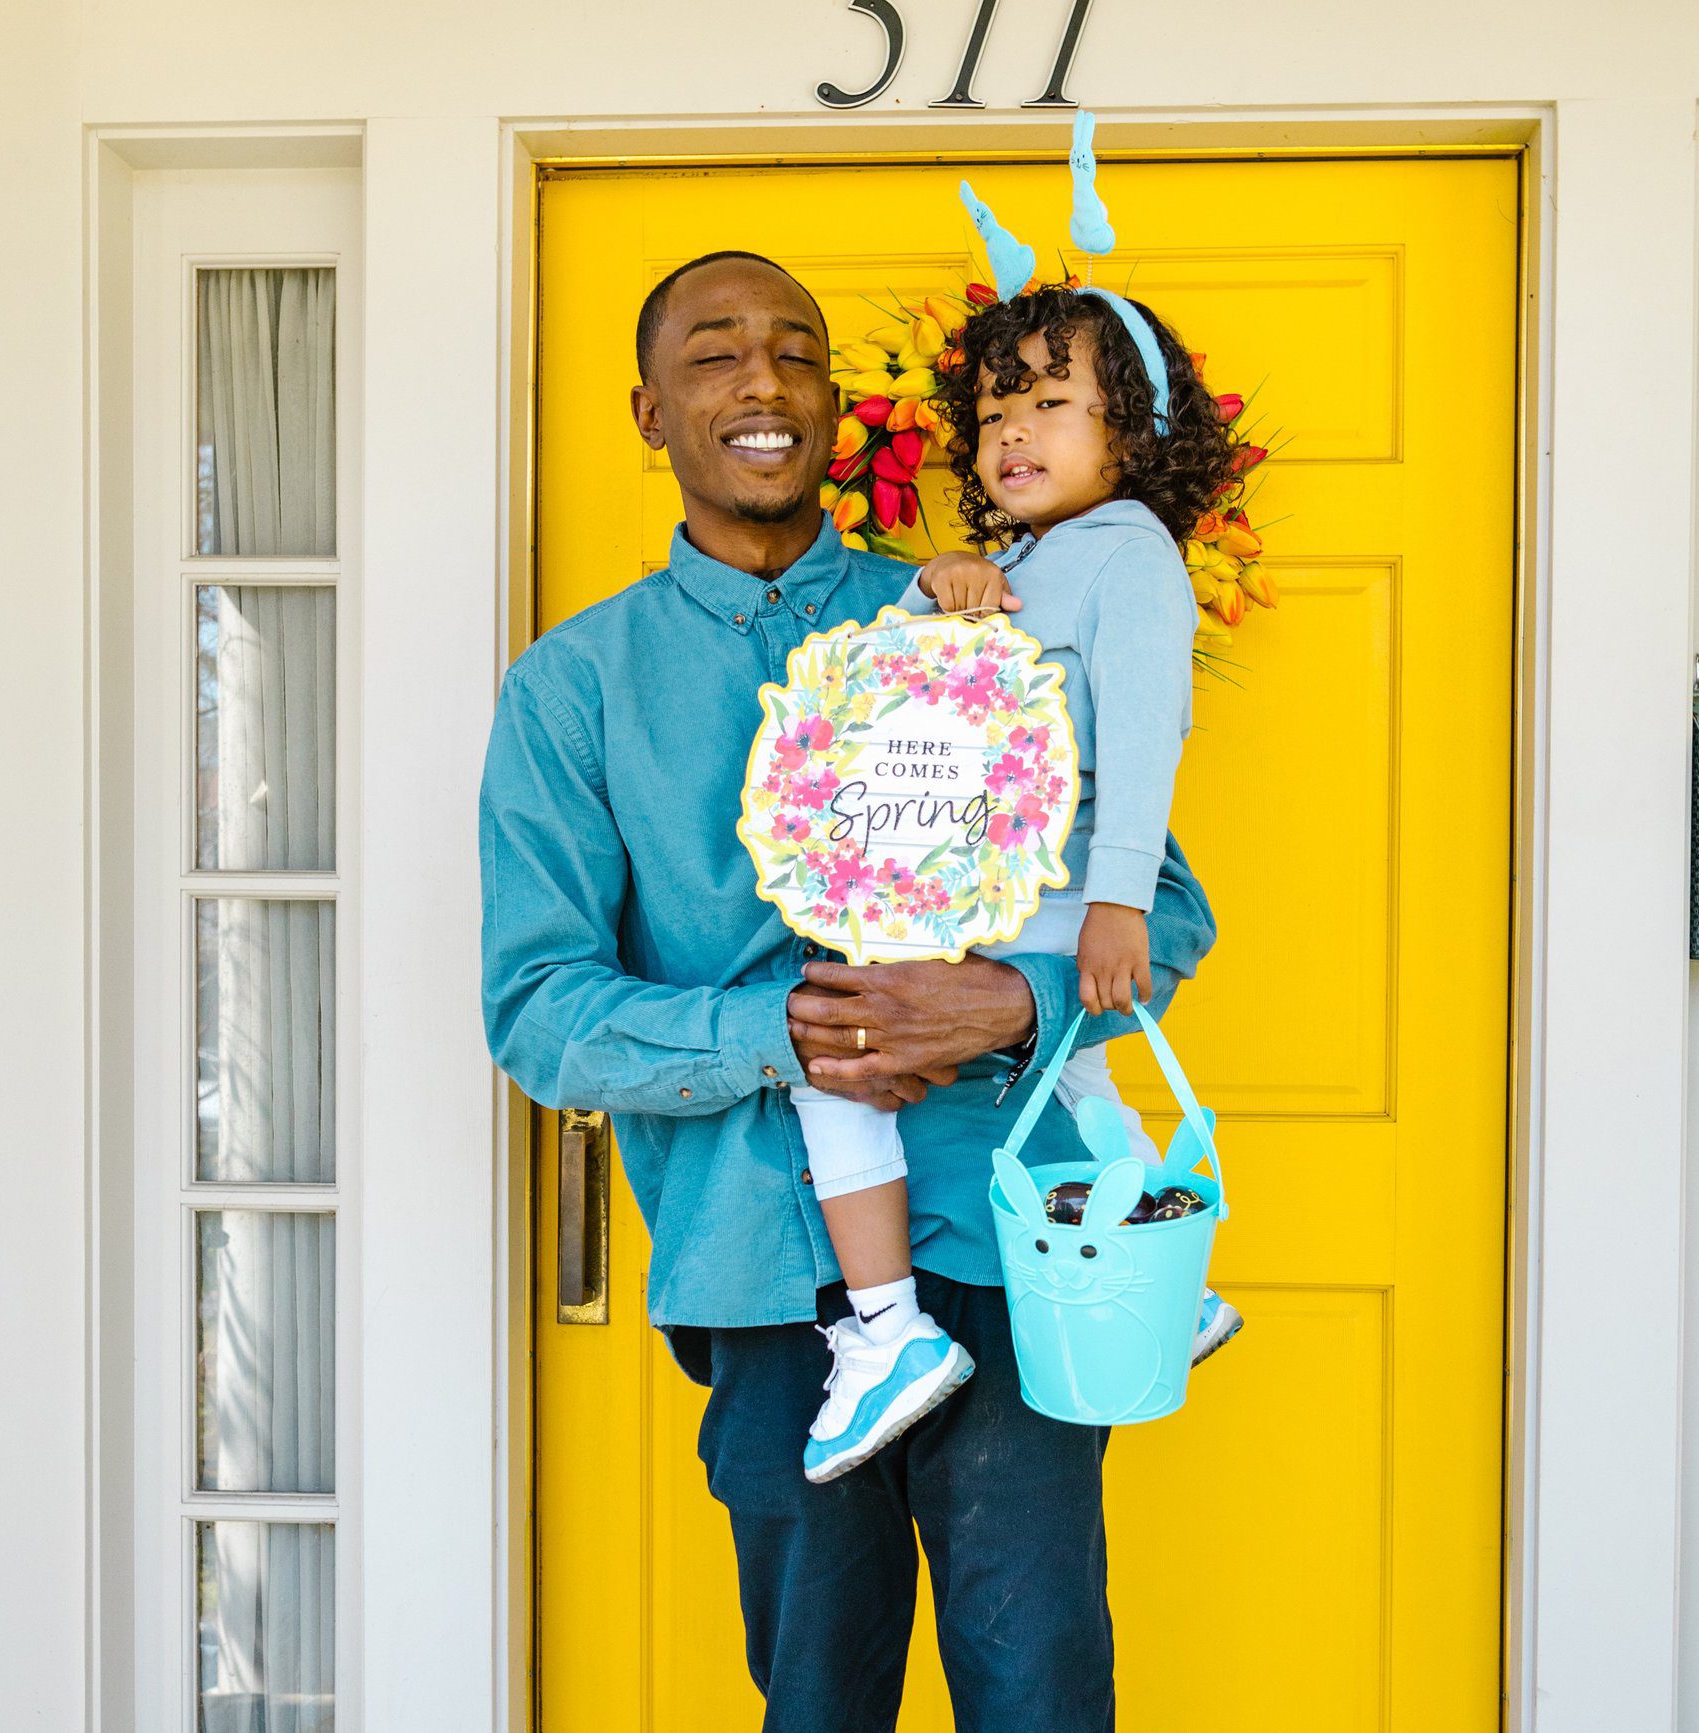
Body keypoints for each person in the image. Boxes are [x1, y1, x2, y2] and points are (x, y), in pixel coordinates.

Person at [479, 247, 1216, 1733]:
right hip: (760, 1273)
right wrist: (779, 1037)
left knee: (1042, 1690)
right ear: (648, 410)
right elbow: (539, 1011)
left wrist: (1009, 1006)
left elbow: (1167, 907)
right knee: (819, 1701)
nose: (761, 380)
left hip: (1005, 1248)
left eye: (795, 351)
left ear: (831, 402)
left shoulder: (974, 613)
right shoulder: (577, 685)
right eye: (713, 353)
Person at [786, 277, 1246, 1487]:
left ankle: (885, 1332)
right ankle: (1176, 1284)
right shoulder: (1042, 557)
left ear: (1131, 434)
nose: (1013, 433)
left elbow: (1149, 732)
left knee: (837, 1058)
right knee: (1073, 1081)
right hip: (988, 879)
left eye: (1051, 403)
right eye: (995, 411)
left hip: (1040, 892)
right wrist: (937, 582)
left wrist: (1120, 899)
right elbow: (909, 703)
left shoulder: (1131, 557)